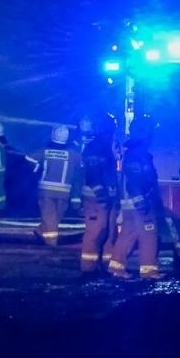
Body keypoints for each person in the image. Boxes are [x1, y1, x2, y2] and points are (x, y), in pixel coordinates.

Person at [108, 116, 161, 280]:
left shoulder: (133, 153)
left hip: (130, 203)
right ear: (144, 132)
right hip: (139, 202)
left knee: (128, 234)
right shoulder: (139, 154)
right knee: (148, 234)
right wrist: (141, 200)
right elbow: (135, 179)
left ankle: (116, 267)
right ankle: (149, 271)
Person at [78, 114, 119, 274]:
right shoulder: (95, 147)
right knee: (95, 232)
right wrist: (102, 195)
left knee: (108, 231)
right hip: (96, 197)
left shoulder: (105, 146)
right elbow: (93, 173)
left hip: (107, 197)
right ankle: (88, 268)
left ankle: (105, 264)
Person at [32, 125, 78, 246]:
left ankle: (41, 230)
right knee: (52, 219)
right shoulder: (74, 155)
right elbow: (81, 173)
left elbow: (28, 161)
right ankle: (51, 243)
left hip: (46, 191)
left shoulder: (44, 152)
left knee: (52, 219)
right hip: (63, 192)